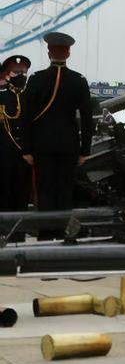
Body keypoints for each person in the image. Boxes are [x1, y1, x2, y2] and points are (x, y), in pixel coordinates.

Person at [19, 32, 95, 239]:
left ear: (48, 52)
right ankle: (63, 233)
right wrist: (85, 150)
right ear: (68, 53)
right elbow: (87, 118)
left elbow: (25, 116)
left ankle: (45, 234)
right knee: (64, 192)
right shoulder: (78, 80)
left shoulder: (37, 79)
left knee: (44, 193)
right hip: (68, 146)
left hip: (41, 146)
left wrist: (26, 148)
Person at [0, 54, 32, 212]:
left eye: (23, 72)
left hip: (26, 156)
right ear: (7, 75)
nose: (20, 76)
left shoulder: (32, 97)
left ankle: (18, 235)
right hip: (4, 155)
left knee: (22, 197)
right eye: (16, 72)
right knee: (4, 195)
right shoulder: (2, 97)